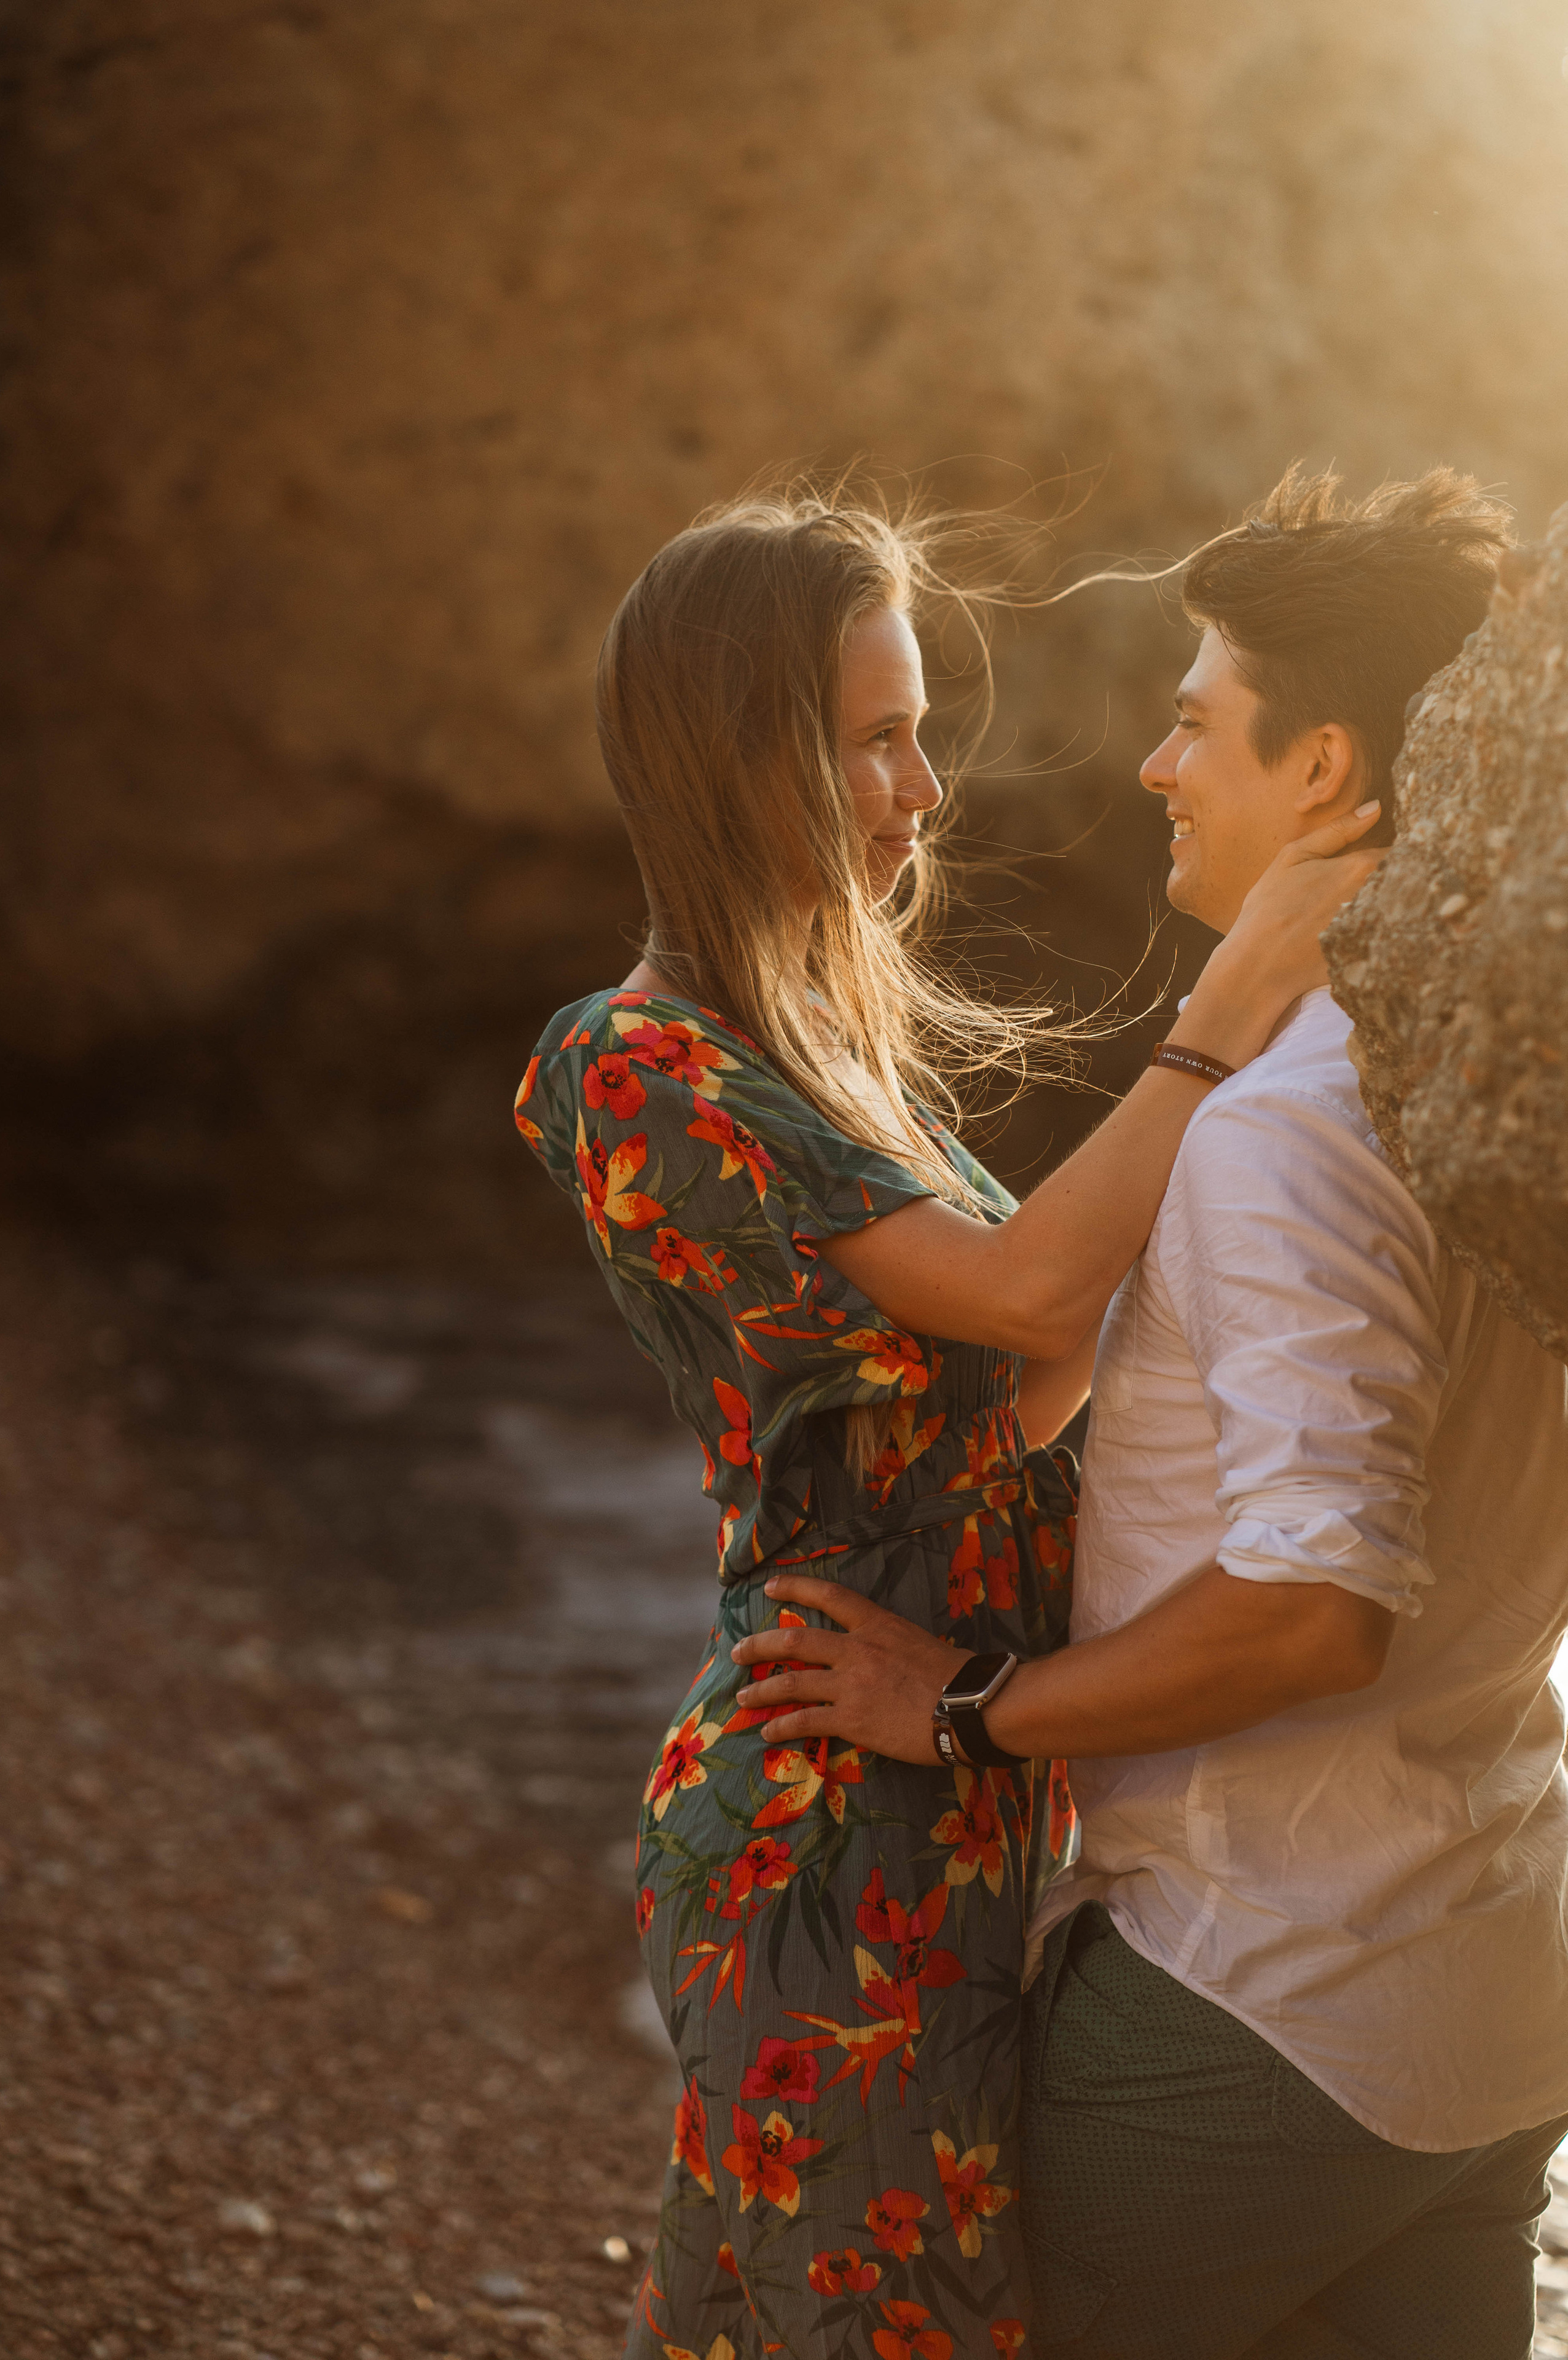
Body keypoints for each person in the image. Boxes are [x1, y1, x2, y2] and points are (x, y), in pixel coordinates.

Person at [516, 482, 1378, 2359]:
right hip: (829, 1806)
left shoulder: (826, 1061)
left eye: (919, 732)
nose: (922, 788)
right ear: (740, 755)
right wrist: (1227, 1012)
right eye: (874, 739)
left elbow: (1023, 1389)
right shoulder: (635, 1062)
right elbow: (1030, 1302)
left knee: (825, 2311)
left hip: (953, 1784)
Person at [732, 468, 1568, 2360]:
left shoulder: (1291, 1133)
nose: (1155, 765)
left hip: (1262, 1998)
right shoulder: (1503, 1091)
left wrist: (962, 1706)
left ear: (1323, 765)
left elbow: (1313, 1607)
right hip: (1498, 1995)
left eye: (1197, 721)